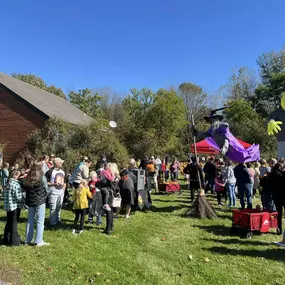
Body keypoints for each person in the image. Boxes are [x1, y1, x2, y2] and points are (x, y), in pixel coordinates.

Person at [22, 161, 49, 246]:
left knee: (30, 220)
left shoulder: (28, 176)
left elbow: (24, 186)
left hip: (30, 200)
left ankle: (27, 240)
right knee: (40, 220)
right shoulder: (42, 176)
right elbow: (46, 189)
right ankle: (38, 241)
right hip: (40, 200)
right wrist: (45, 196)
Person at [3, 171, 23, 246]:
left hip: (8, 206)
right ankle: (14, 242)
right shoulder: (16, 184)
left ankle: (6, 239)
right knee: (14, 224)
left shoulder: (7, 183)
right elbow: (19, 198)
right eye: (19, 176)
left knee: (8, 222)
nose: (19, 177)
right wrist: (25, 200)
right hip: (15, 206)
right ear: (15, 176)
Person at [45, 157, 66, 226]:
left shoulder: (62, 171)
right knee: (53, 207)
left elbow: (65, 182)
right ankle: (53, 222)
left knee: (59, 206)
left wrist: (63, 190)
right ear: (56, 163)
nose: (62, 164)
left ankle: (58, 219)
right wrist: (53, 184)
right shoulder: (50, 172)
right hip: (53, 192)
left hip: (61, 192)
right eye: (60, 163)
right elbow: (45, 182)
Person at [270, 163, 285, 233]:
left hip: (276, 196)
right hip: (283, 196)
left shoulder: (272, 174)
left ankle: (279, 229)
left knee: (279, 213)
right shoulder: (282, 174)